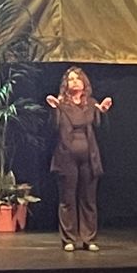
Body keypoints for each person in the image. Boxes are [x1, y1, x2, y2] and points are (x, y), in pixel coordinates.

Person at [45, 66, 112, 252]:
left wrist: (103, 113)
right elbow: (52, 128)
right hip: (66, 157)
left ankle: (89, 239)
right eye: (71, 79)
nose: (74, 81)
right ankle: (69, 239)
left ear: (84, 83)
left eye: (77, 78)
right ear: (66, 84)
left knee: (88, 199)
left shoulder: (91, 104)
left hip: (89, 157)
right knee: (67, 200)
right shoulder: (60, 104)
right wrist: (54, 110)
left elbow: (102, 130)